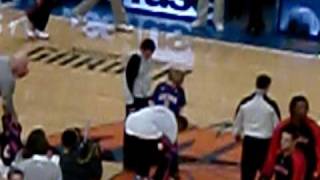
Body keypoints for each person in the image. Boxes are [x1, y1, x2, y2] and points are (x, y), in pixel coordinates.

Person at [233, 74, 281, 180]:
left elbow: (237, 121)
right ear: (268, 86)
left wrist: (237, 134)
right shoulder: (271, 105)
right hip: (265, 144)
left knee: (247, 174)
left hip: (249, 143)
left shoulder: (245, 102)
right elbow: (278, 127)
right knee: (265, 174)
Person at [261, 96, 320, 180]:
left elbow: (319, 151)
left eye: (305, 108)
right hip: (285, 169)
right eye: (300, 108)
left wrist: (317, 172)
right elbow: (272, 151)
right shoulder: (282, 127)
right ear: (292, 109)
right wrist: (266, 173)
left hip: (307, 172)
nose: (303, 111)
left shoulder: (313, 129)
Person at [125, 106, 178, 180]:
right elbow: (170, 147)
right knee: (164, 156)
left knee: (144, 153)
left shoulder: (164, 115)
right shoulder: (171, 126)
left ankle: (141, 176)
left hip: (129, 125)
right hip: (145, 130)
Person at [123, 38, 156, 117]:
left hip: (144, 97)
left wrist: (149, 96)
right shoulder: (135, 60)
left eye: (151, 53)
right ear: (142, 50)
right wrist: (129, 100)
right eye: (147, 53)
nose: (149, 55)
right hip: (134, 97)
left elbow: (147, 80)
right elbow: (127, 79)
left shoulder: (150, 61)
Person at [152, 64, 189, 132]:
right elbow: (181, 107)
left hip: (156, 118)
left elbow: (152, 102)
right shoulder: (180, 91)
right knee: (184, 122)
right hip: (171, 120)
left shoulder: (160, 86)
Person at [0, 54, 29, 119]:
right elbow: (6, 103)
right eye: (25, 67)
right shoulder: (8, 79)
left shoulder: (4, 58)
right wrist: (14, 117)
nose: (26, 71)